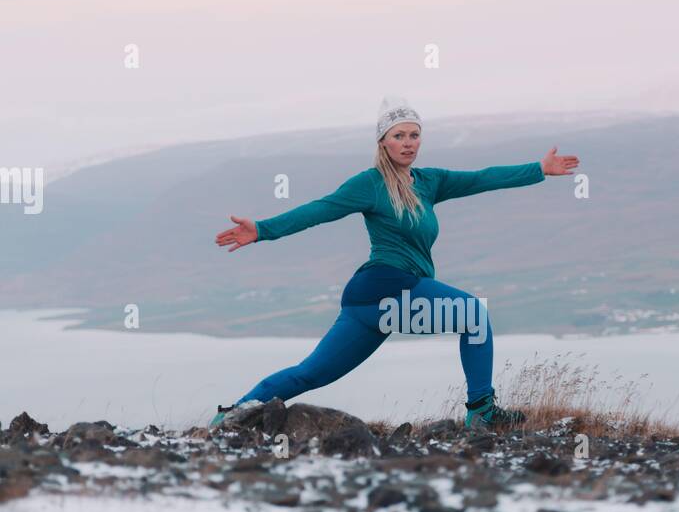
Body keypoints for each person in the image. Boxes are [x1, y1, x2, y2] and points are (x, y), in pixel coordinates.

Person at [210, 96, 578, 431]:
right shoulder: (369, 184)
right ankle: (482, 410)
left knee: (312, 373)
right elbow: (320, 210)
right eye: (399, 135)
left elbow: (481, 178)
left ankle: (233, 416)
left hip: (382, 302)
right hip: (382, 287)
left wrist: (538, 169)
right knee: (472, 315)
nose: (408, 142)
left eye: (414, 135)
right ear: (383, 141)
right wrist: (262, 229)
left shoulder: (429, 182)